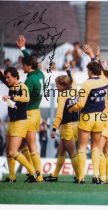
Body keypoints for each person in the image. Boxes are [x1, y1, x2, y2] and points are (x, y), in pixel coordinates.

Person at [68, 60, 108, 184]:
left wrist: (72, 109)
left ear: (91, 71)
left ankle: (81, 177)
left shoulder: (87, 84)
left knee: (82, 147)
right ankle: (95, 176)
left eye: (88, 70)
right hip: (100, 117)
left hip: (87, 117)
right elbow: (102, 73)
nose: (87, 72)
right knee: (96, 148)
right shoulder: (104, 81)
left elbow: (80, 104)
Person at [16, 35, 45, 182]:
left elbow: (23, 99)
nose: (22, 67)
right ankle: (33, 173)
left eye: (23, 65)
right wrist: (22, 48)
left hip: (27, 113)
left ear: (29, 67)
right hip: (36, 113)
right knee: (23, 145)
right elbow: (31, 60)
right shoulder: (39, 74)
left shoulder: (29, 80)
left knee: (28, 145)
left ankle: (37, 175)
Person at [44, 64, 79, 182]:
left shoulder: (62, 96)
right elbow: (73, 80)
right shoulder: (74, 89)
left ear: (62, 85)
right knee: (61, 151)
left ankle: (80, 177)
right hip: (76, 124)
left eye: (57, 84)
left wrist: (54, 129)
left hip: (67, 126)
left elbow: (59, 115)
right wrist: (68, 70)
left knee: (72, 153)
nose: (56, 86)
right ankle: (54, 175)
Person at [2, 67, 38, 183]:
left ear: (15, 77)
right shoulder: (11, 87)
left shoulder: (22, 86)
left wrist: (12, 97)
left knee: (13, 151)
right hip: (12, 121)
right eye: (6, 77)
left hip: (20, 122)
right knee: (8, 152)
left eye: (8, 77)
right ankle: (12, 177)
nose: (6, 79)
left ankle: (33, 172)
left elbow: (26, 98)